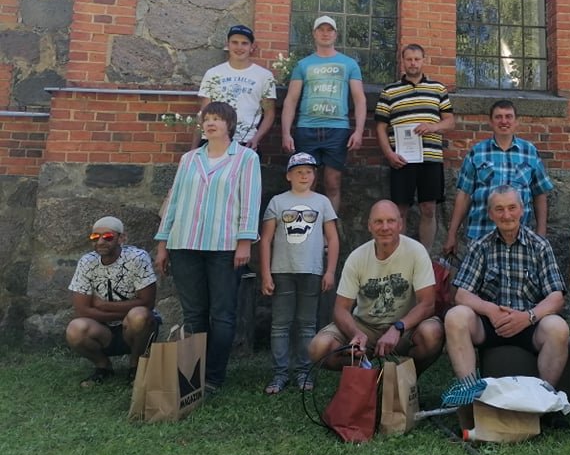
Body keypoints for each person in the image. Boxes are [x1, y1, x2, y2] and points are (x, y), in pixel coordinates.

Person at [155, 101, 262, 392]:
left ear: (230, 124)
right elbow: (174, 202)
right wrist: (163, 244)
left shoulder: (246, 158)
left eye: (217, 119)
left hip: (225, 246)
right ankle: (193, 375)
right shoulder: (189, 159)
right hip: (184, 243)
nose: (210, 123)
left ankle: (213, 377)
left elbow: (250, 202)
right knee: (194, 313)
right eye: (207, 119)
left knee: (223, 313)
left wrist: (245, 243)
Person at [442, 186, 569, 411]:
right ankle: (471, 399)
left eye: (512, 208)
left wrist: (528, 317)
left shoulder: (539, 246)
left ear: (522, 210)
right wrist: (489, 309)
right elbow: (461, 294)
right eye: (499, 209)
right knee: (456, 316)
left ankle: (545, 402)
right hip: (490, 324)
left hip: (529, 323)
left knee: (558, 327)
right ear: (490, 214)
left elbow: (556, 297)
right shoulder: (480, 246)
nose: (506, 215)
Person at [308, 200, 443, 374]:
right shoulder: (357, 257)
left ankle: (406, 379)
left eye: (391, 221)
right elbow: (341, 309)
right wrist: (355, 333)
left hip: (405, 326)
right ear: (369, 226)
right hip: (366, 326)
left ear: (400, 224)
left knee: (432, 333)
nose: (385, 227)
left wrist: (398, 328)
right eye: (378, 222)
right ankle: (372, 378)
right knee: (319, 347)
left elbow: (428, 303)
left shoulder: (416, 251)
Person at [260, 152, 339, 394]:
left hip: (312, 271)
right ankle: (280, 374)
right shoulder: (278, 202)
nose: (304, 176)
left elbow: (333, 238)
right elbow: (266, 240)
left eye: (308, 172)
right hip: (282, 269)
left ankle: (304, 372)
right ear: (288, 176)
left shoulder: (322, 202)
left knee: (307, 324)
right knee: (280, 324)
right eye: (298, 172)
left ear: (315, 176)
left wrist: (330, 271)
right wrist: (265, 273)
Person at [443, 100, 554, 254]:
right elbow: (464, 195)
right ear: (491, 121)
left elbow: (540, 194)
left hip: (519, 237)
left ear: (516, 122)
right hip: (481, 234)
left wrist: (541, 233)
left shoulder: (529, 152)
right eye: (498, 117)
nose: (504, 121)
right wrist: (451, 234)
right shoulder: (477, 152)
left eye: (509, 117)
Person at [281, 15, 365, 212]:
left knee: (333, 182)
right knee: (306, 181)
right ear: (314, 34)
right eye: (321, 29)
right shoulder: (303, 65)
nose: (325, 33)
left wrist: (359, 131)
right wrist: (286, 133)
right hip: (306, 128)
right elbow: (291, 100)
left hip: (337, 130)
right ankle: (306, 228)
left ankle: (329, 231)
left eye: (329, 30)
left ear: (335, 34)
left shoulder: (350, 64)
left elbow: (360, 99)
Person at [375, 44, 455, 250]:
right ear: (403, 61)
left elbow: (450, 122)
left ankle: (424, 257)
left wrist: (432, 126)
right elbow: (381, 127)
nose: (413, 63)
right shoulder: (390, 91)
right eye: (409, 59)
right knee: (399, 211)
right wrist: (388, 154)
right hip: (401, 159)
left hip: (430, 158)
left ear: (423, 60)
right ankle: (399, 256)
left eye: (417, 59)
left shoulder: (438, 89)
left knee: (429, 208)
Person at [66, 216, 159, 386]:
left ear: (122, 238)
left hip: (135, 327)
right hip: (104, 329)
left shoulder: (137, 258)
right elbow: (82, 311)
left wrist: (103, 305)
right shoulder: (87, 262)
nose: (100, 241)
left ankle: (136, 366)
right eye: (95, 237)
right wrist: (121, 312)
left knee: (138, 316)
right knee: (75, 329)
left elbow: (147, 303)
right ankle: (104, 367)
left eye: (108, 237)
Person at [194, 24, 276, 151]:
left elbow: (269, 113)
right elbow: (204, 113)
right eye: (235, 42)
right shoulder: (212, 74)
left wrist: (256, 139)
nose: (239, 47)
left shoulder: (264, 76)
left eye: (244, 43)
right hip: (213, 140)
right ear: (228, 44)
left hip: (245, 140)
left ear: (252, 47)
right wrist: (194, 148)